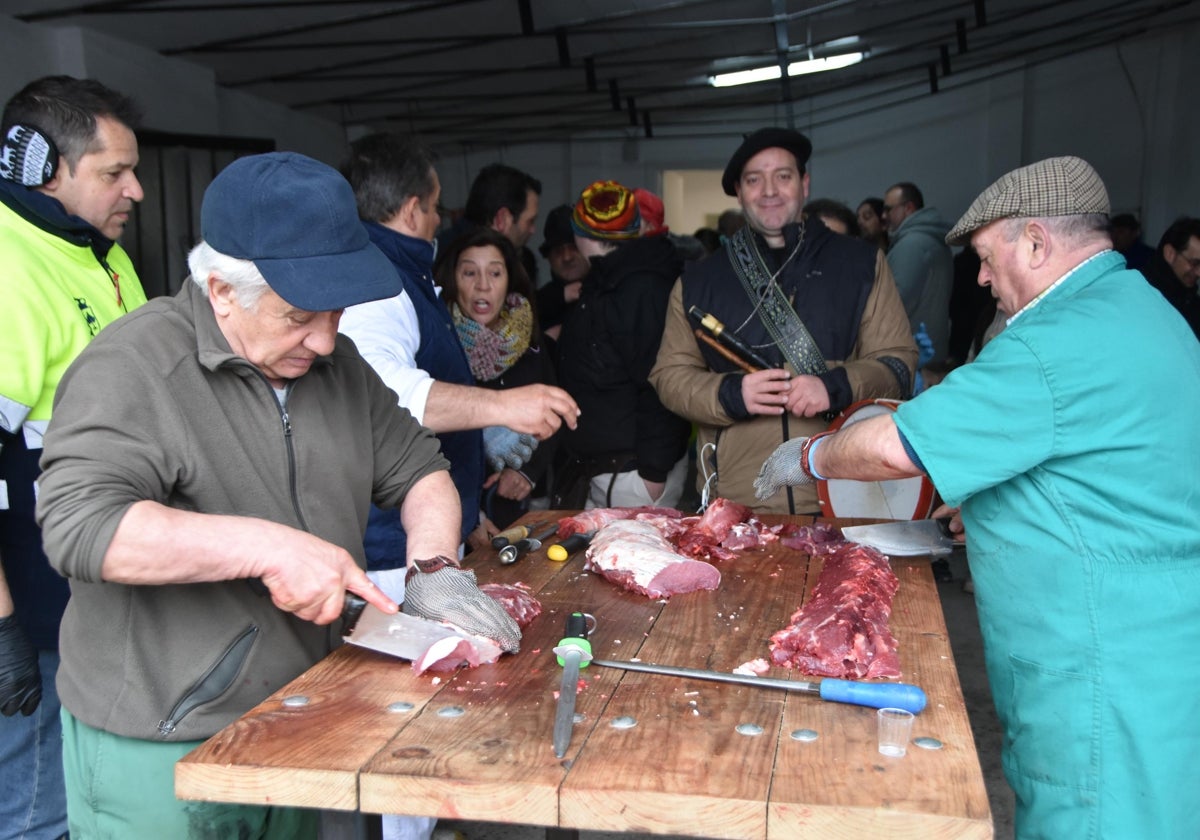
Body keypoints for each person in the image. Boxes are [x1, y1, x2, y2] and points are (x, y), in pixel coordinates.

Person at [34, 151, 518, 838]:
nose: (324, 340)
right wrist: (268, 549)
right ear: (221, 290)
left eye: (336, 312)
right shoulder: (133, 366)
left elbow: (419, 469)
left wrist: (434, 567)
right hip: (165, 740)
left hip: (304, 716)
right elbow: (81, 527)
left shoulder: (337, 367)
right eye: (298, 316)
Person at [754, 156, 1200, 840]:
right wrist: (1002, 506)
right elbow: (1106, 461)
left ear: (1036, 242)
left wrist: (809, 455)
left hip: (1101, 668)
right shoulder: (1141, 308)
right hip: (1156, 647)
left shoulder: (1055, 342)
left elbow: (888, 447)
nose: (982, 278)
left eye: (989, 257)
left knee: (1092, 817)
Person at [0, 75, 147, 840]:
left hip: (96, 600)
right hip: (36, 609)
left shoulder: (98, 253)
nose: (139, 190)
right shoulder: (8, 265)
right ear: (42, 167)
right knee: (33, 813)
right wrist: (1, 629)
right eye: (114, 173)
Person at [337, 133, 578, 583]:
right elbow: (382, 395)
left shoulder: (396, 274)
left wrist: (466, 518)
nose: (437, 221)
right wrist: (506, 406)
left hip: (423, 535)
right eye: (433, 208)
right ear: (412, 210)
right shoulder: (377, 284)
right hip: (394, 552)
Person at [649, 127, 916, 514]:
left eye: (783, 176)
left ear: (804, 184)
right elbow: (669, 376)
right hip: (740, 501)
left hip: (848, 495)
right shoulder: (699, 280)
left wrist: (835, 385)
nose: (769, 190)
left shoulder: (861, 263)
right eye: (754, 180)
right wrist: (730, 393)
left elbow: (898, 365)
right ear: (739, 192)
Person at [554, 180, 691, 509]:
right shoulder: (609, 279)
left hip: (634, 477)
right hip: (611, 472)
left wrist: (653, 475)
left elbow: (662, 379)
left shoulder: (639, 288)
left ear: (582, 234)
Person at [440, 228, 559, 528]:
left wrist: (526, 472)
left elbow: (554, 411)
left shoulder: (527, 334)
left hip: (514, 506)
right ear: (453, 279)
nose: (483, 286)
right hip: (450, 509)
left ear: (509, 280)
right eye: (469, 273)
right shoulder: (439, 339)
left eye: (495, 273)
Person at [882, 181, 954, 364]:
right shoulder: (933, 240)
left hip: (914, 353)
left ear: (908, 208)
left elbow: (895, 303)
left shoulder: (911, 245)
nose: (884, 215)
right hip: (931, 346)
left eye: (889, 209)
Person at [1140, 215, 1200, 339]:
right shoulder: (1141, 296)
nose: (1199, 273)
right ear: (1170, 254)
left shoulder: (1191, 301)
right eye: (1194, 263)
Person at [535, 204, 588, 342]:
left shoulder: (609, 291)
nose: (567, 257)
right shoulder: (537, 304)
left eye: (573, 247)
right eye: (558, 250)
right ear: (549, 258)